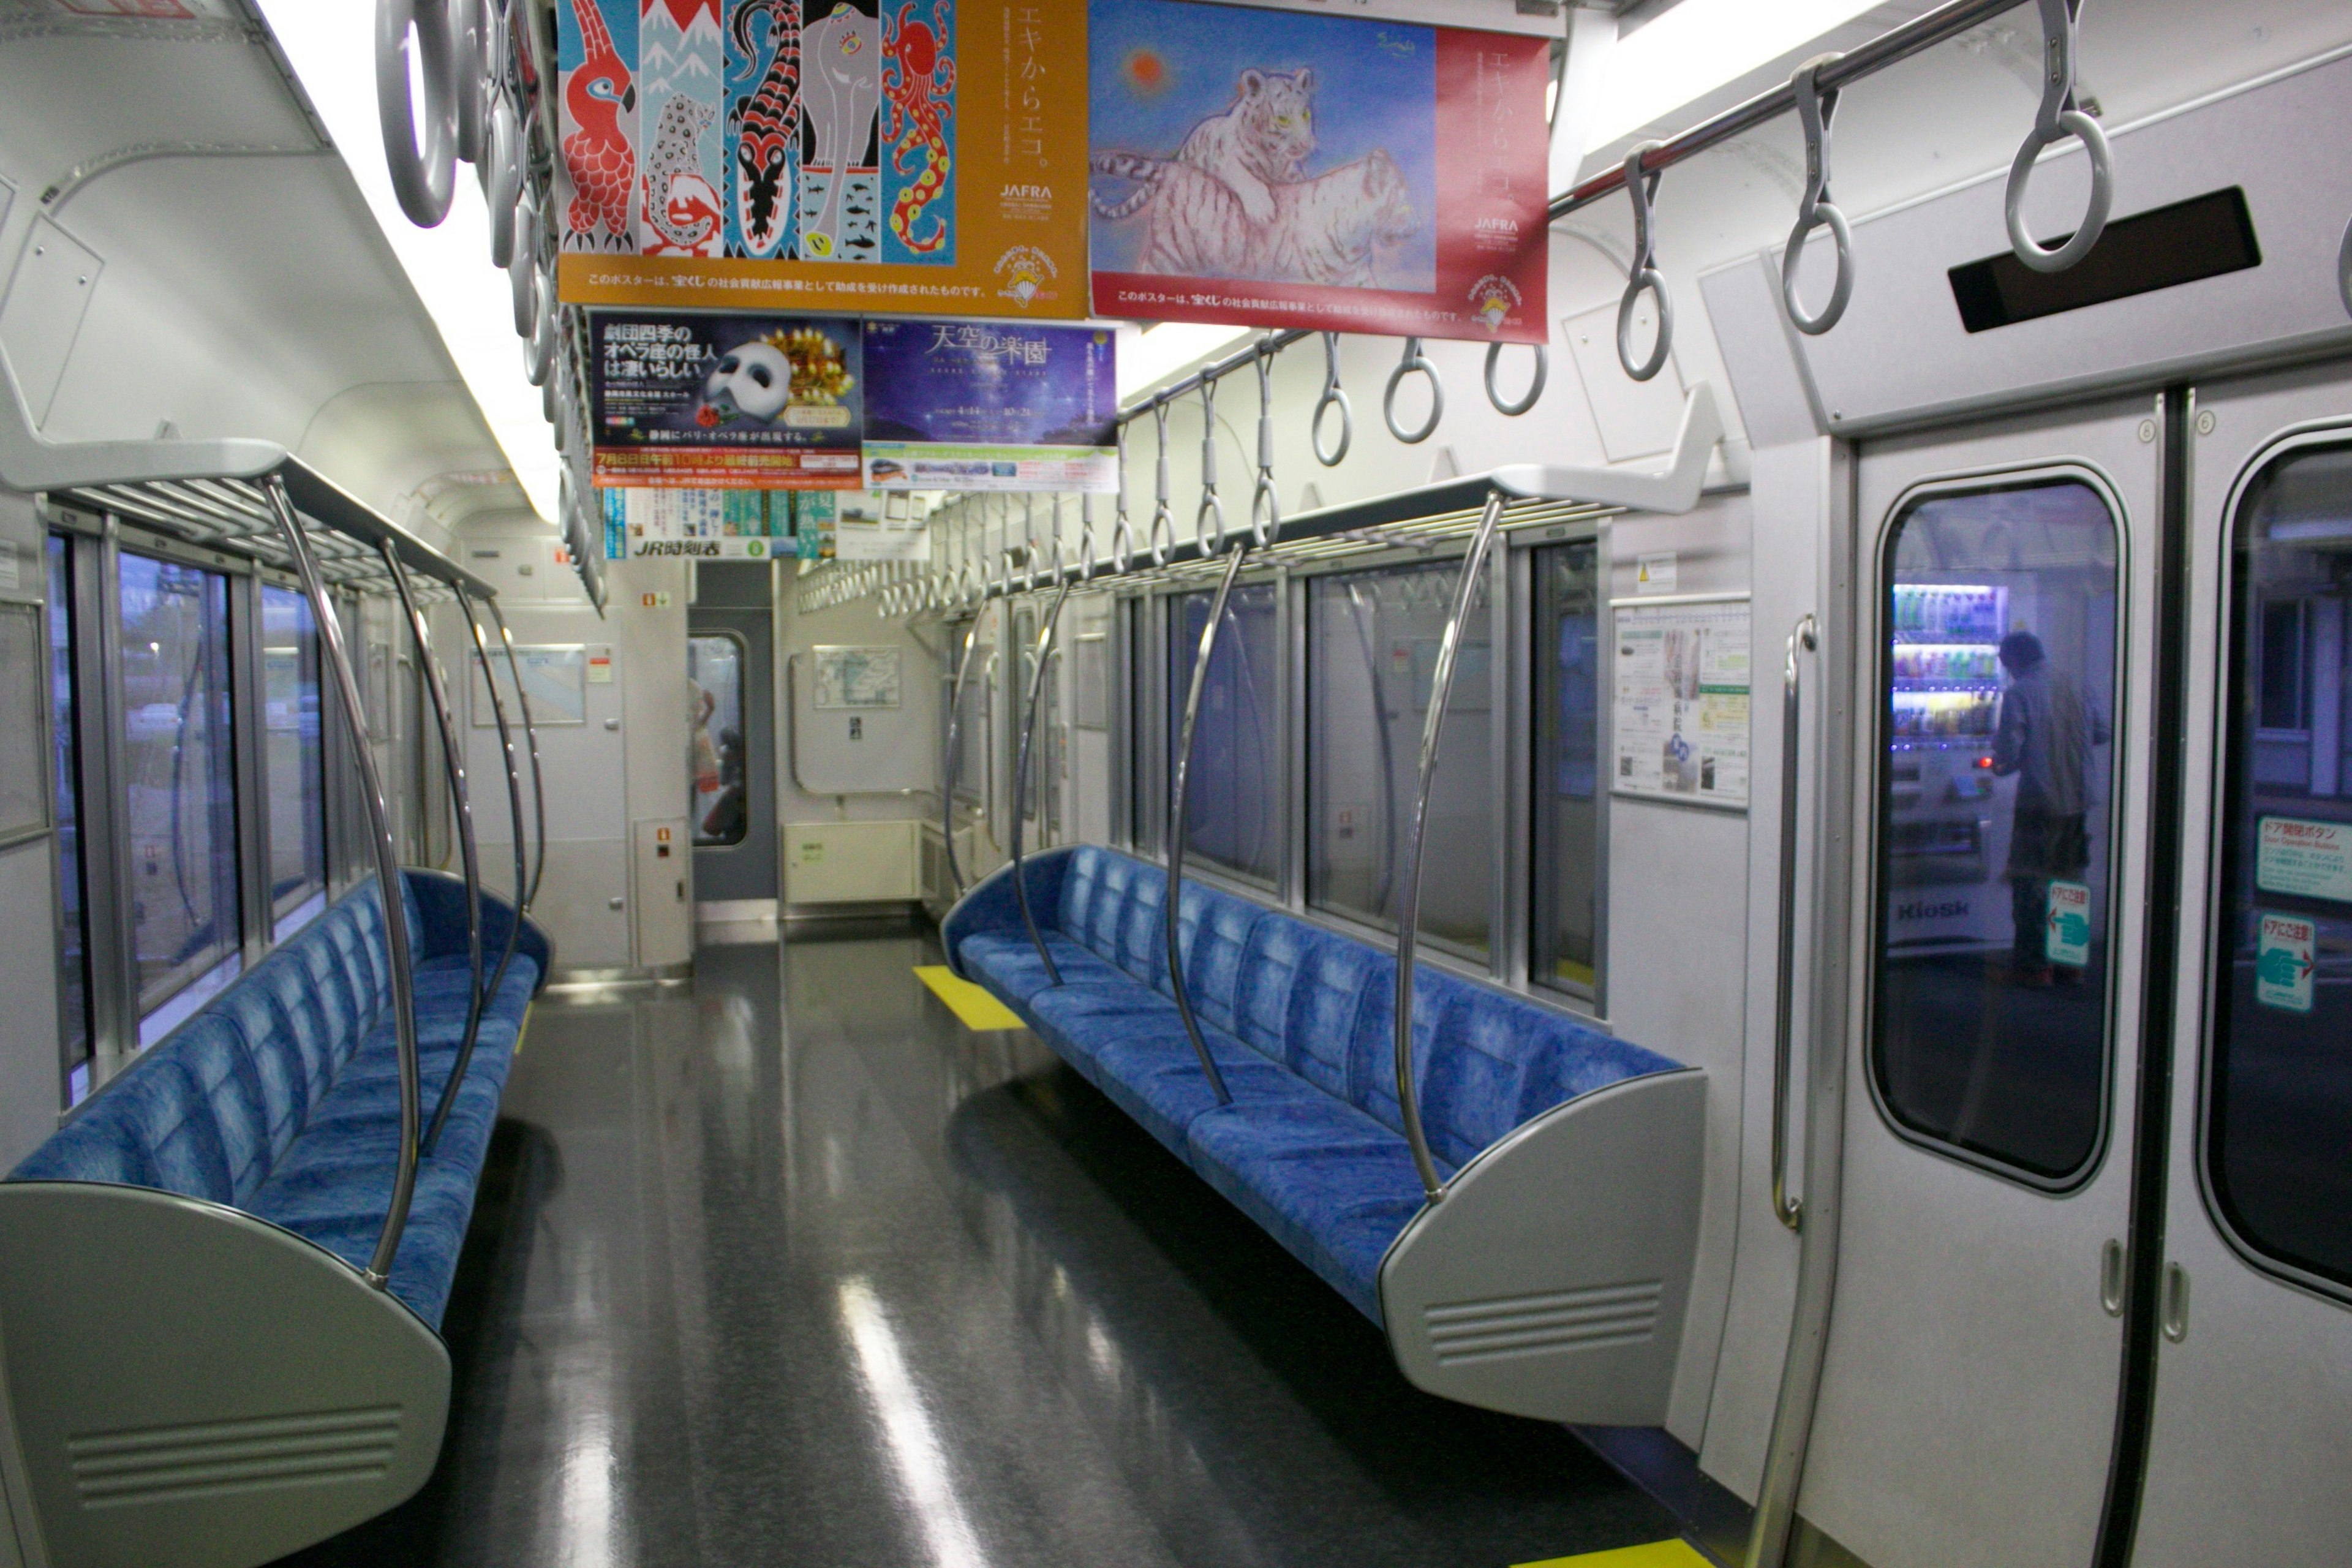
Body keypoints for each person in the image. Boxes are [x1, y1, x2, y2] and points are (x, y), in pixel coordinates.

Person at [1991, 630, 2109, 984]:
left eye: (2005, 663)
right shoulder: (2077, 685)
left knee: (2030, 882)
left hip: (2039, 803)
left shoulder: (2020, 693)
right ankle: (2069, 963)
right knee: (2070, 879)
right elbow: (2103, 731)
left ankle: (2033, 966)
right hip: (2078, 800)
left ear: (2014, 660)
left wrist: (1997, 765)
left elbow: (2009, 751)